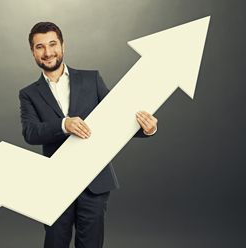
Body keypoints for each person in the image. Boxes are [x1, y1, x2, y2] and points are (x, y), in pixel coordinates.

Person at [19, 22, 158, 248]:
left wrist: (147, 128)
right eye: (40, 47)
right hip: (55, 184)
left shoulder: (91, 79)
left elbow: (117, 118)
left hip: (94, 182)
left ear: (63, 45)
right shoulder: (29, 94)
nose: (48, 52)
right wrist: (64, 124)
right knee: (55, 242)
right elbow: (30, 132)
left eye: (53, 44)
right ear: (33, 52)